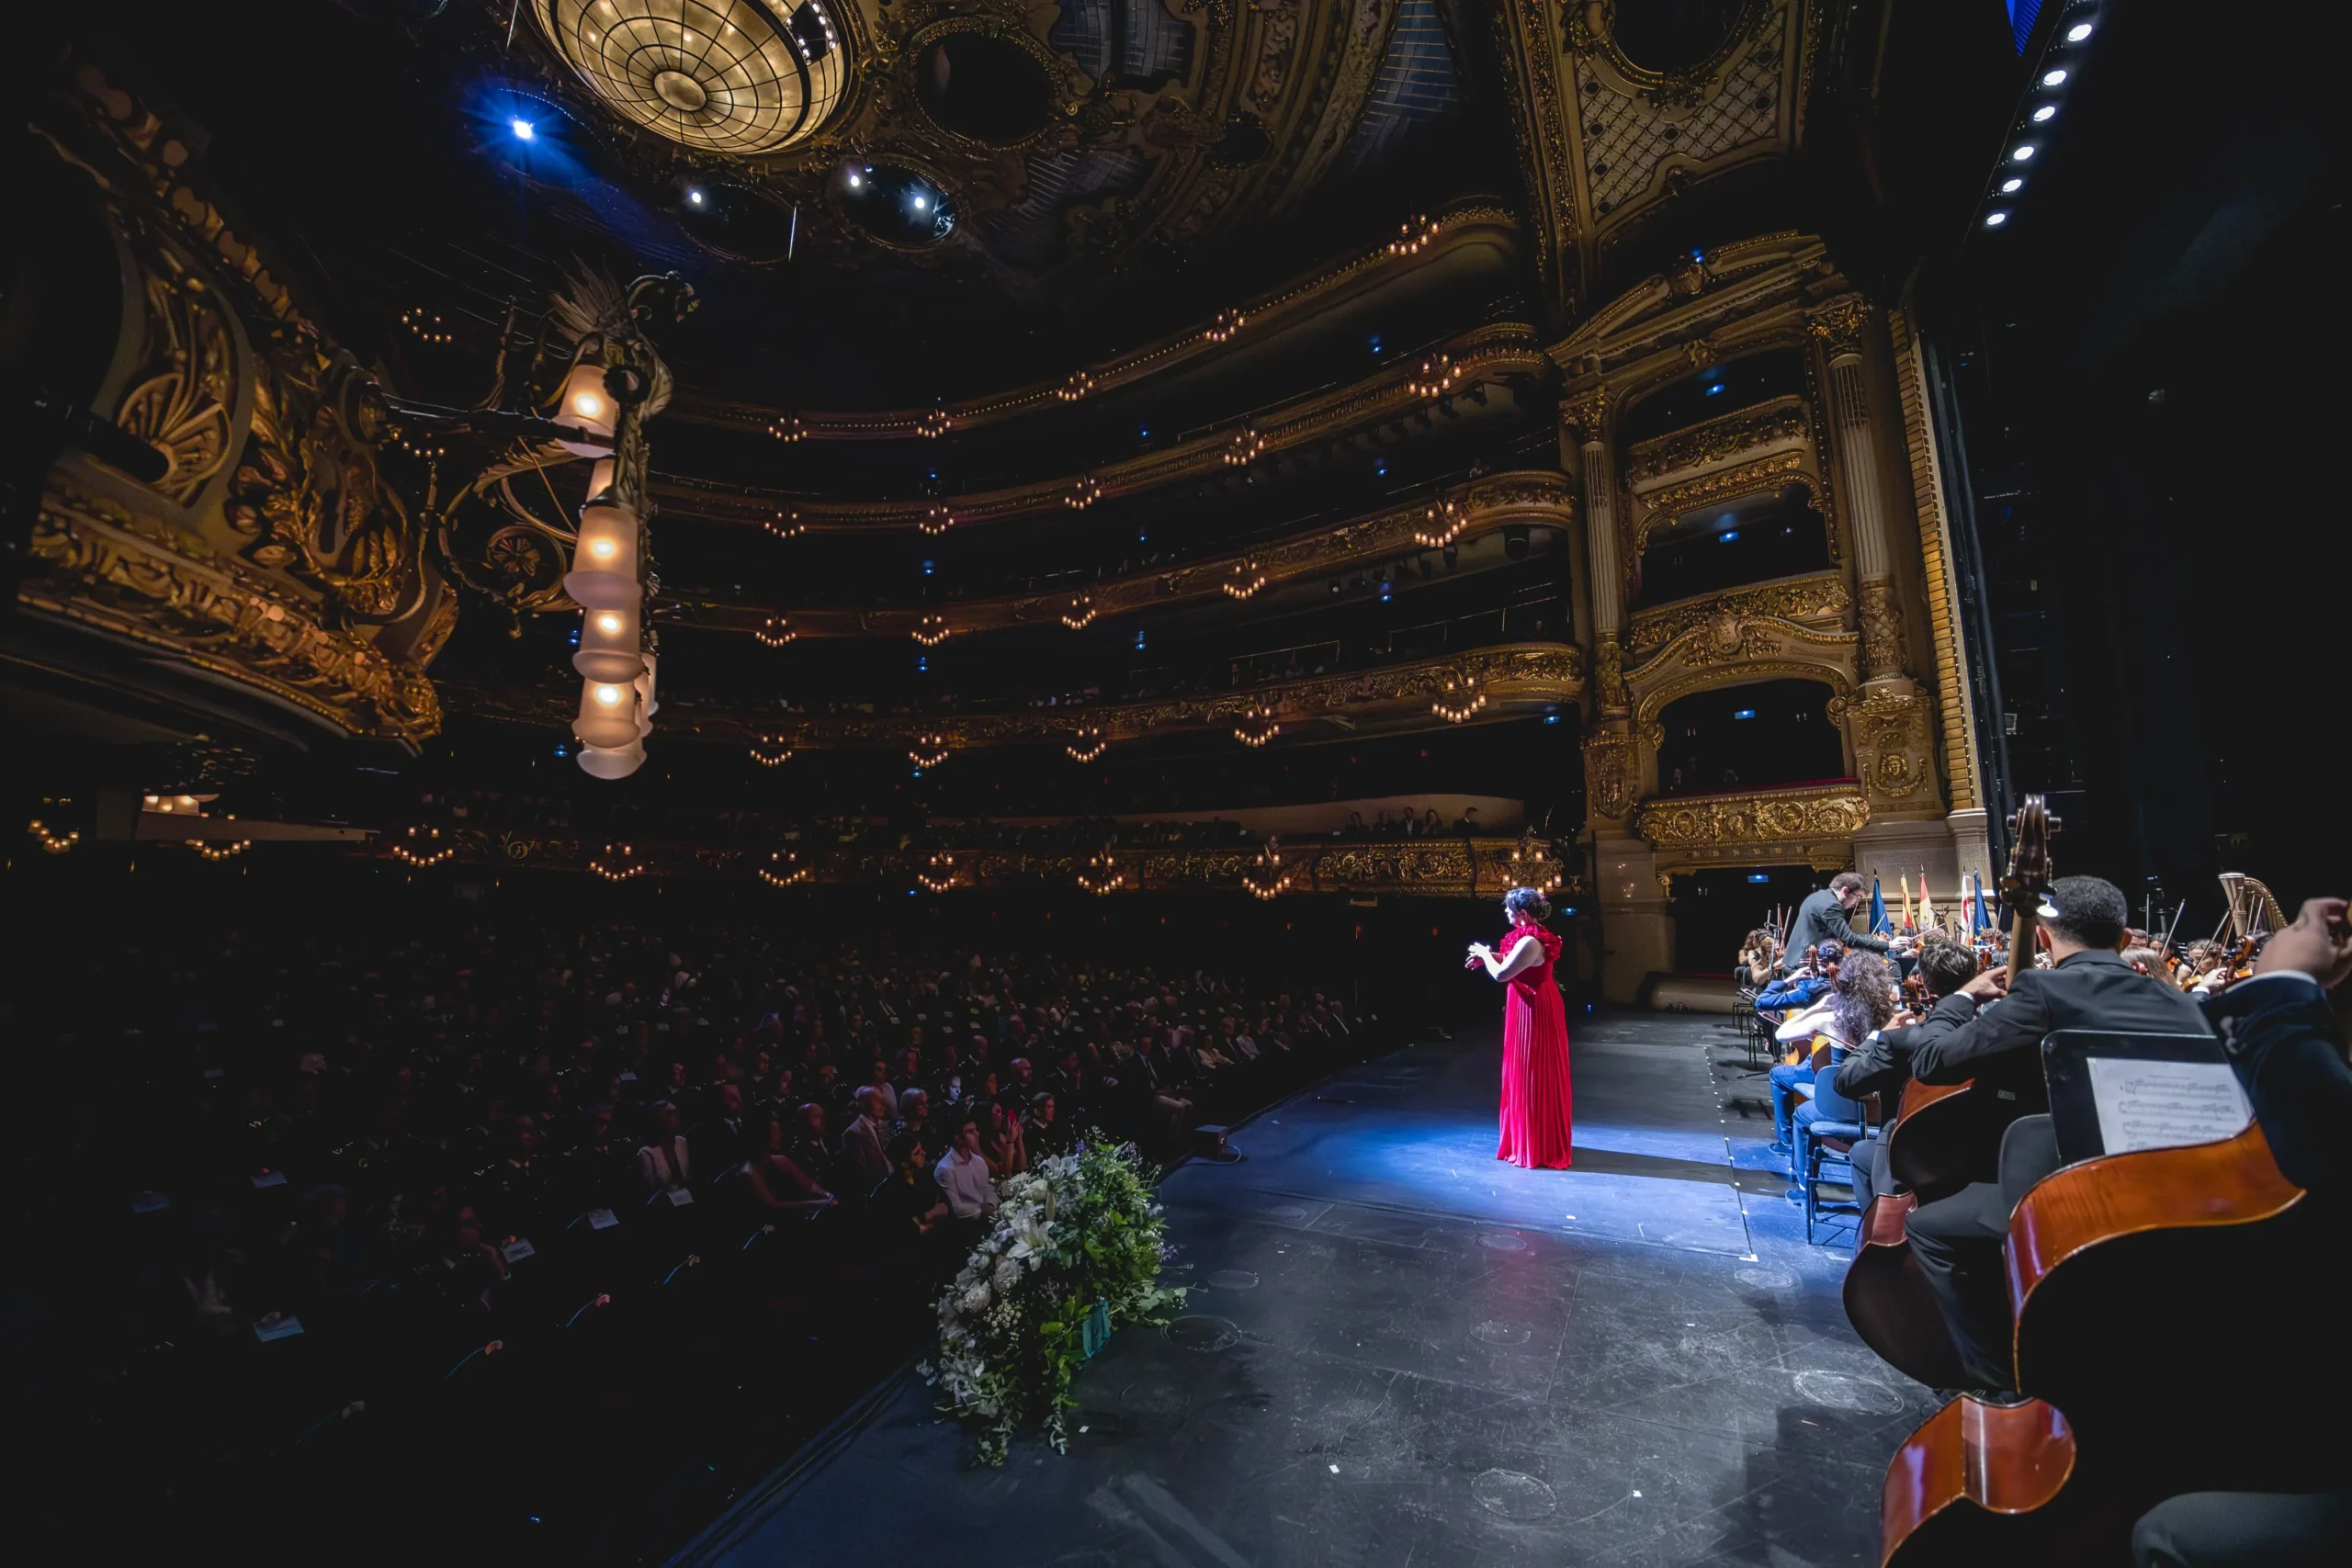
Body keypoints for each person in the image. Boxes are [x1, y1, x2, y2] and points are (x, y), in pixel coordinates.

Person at [1904, 874, 2211, 1393]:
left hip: (2066, 1188)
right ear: (2123, 938)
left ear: (2044, 936)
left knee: (1929, 1229)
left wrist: (1960, 998)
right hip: (2168, 1192)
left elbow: (1932, 1061)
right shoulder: (2180, 1003)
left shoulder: (2043, 991)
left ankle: (1999, 1380)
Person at [1833, 936, 1981, 1209]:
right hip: (1975, 1158)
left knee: (1862, 1153)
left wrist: (1877, 1036)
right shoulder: (1990, 1034)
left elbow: (1845, 1081)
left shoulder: (1901, 1042)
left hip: (1910, 1159)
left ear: (1922, 983)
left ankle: (1881, 1226)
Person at [1466, 886, 1574, 1169]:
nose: (1505, 911)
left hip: (1535, 1007)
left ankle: (1537, 1145)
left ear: (1523, 913)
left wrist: (1484, 953)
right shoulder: (1526, 938)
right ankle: (1528, 1136)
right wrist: (1490, 956)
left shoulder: (1530, 942)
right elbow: (1512, 963)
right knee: (1524, 1069)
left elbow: (1502, 975)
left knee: (1533, 1071)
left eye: (1508, 908)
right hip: (1526, 1002)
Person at [1781, 873, 1893, 972]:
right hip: (1807, 965)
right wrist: (1889, 945)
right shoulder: (1832, 905)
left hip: (1793, 961)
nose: (1857, 904)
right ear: (1845, 891)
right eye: (1858, 897)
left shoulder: (1818, 897)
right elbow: (1850, 940)